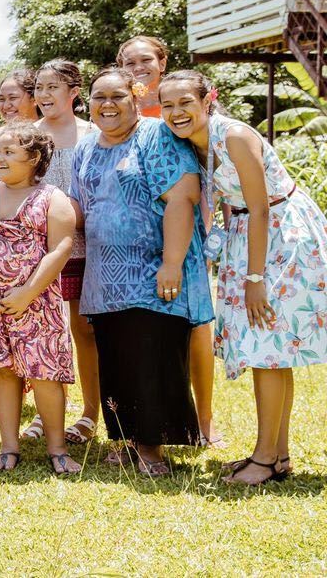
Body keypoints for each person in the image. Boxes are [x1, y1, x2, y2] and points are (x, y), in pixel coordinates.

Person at [160, 70, 327, 484]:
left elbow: (261, 207)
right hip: (246, 234)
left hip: (279, 236)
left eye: (185, 102)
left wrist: (255, 278)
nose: (177, 112)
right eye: (168, 105)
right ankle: (278, 455)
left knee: (266, 347)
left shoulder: (233, 136)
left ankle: (265, 459)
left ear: (208, 99)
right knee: (272, 350)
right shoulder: (194, 142)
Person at [69, 66, 213, 477]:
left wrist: (171, 263)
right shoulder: (85, 147)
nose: (108, 104)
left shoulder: (157, 135)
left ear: (135, 97)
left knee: (153, 354)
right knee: (116, 357)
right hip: (105, 275)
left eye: (117, 96)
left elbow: (183, 198)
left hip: (154, 269)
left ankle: (151, 447)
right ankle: (127, 438)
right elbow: (79, 206)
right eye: (99, 97)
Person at [118, 34, 222, 448]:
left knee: (196, 327)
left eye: (145, 60)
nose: (137, 68)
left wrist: (204, 235)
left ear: (162, 63)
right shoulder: (121, 113)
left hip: (184, 233)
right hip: (135, 243)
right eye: (128, 62)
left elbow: (205, 176)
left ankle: (205, 420)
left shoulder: (181, 108)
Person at [0, 123, 79, 474]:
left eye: (9, 152)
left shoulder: (52, 199)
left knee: (44, 375)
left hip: (36, 305)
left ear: (34, 157)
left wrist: (27, 292)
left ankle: (57, 448)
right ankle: (9, 446)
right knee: (4, 372)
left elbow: (61, 247)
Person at [31, 59, 100, 445]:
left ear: (74, 92)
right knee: (43, 331)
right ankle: (46, 410)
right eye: (39, 87)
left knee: (84, 331)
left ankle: (90, 413)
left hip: (87, 246)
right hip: (38, 249)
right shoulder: (29, 136)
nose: (44, 95)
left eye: (53, 87)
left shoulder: (92, 134)